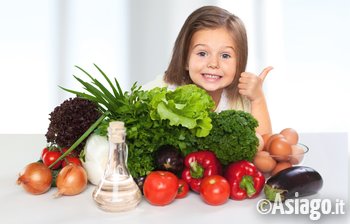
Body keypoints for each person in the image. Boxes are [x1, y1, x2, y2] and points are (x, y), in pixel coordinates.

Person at [143, 6, 272, 135]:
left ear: (239, 63)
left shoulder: (240, 100)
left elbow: (264, 142)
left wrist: (258, 99)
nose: (213, 64)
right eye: (202, 53)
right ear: (185, 59)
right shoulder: (163, 90)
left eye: (225, 55)